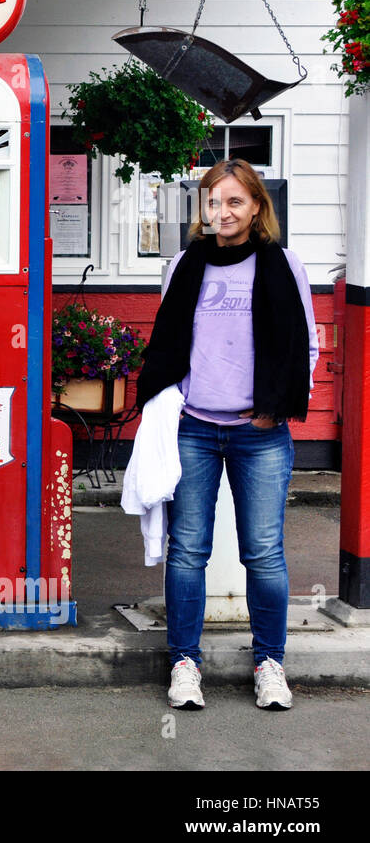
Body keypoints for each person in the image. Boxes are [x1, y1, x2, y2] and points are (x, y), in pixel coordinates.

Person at [136, 158, 317, 712]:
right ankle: (185, 665)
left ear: (257, 206)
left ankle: (269, 663)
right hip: (193, 429)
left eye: (235, 201)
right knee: (187, 550)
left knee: (262, 553)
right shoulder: (184, 266)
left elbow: (307, 347)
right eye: (213, 201)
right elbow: (167, 344)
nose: (223, 212)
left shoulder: (283, 265)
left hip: (259, 433)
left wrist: (274, 408)